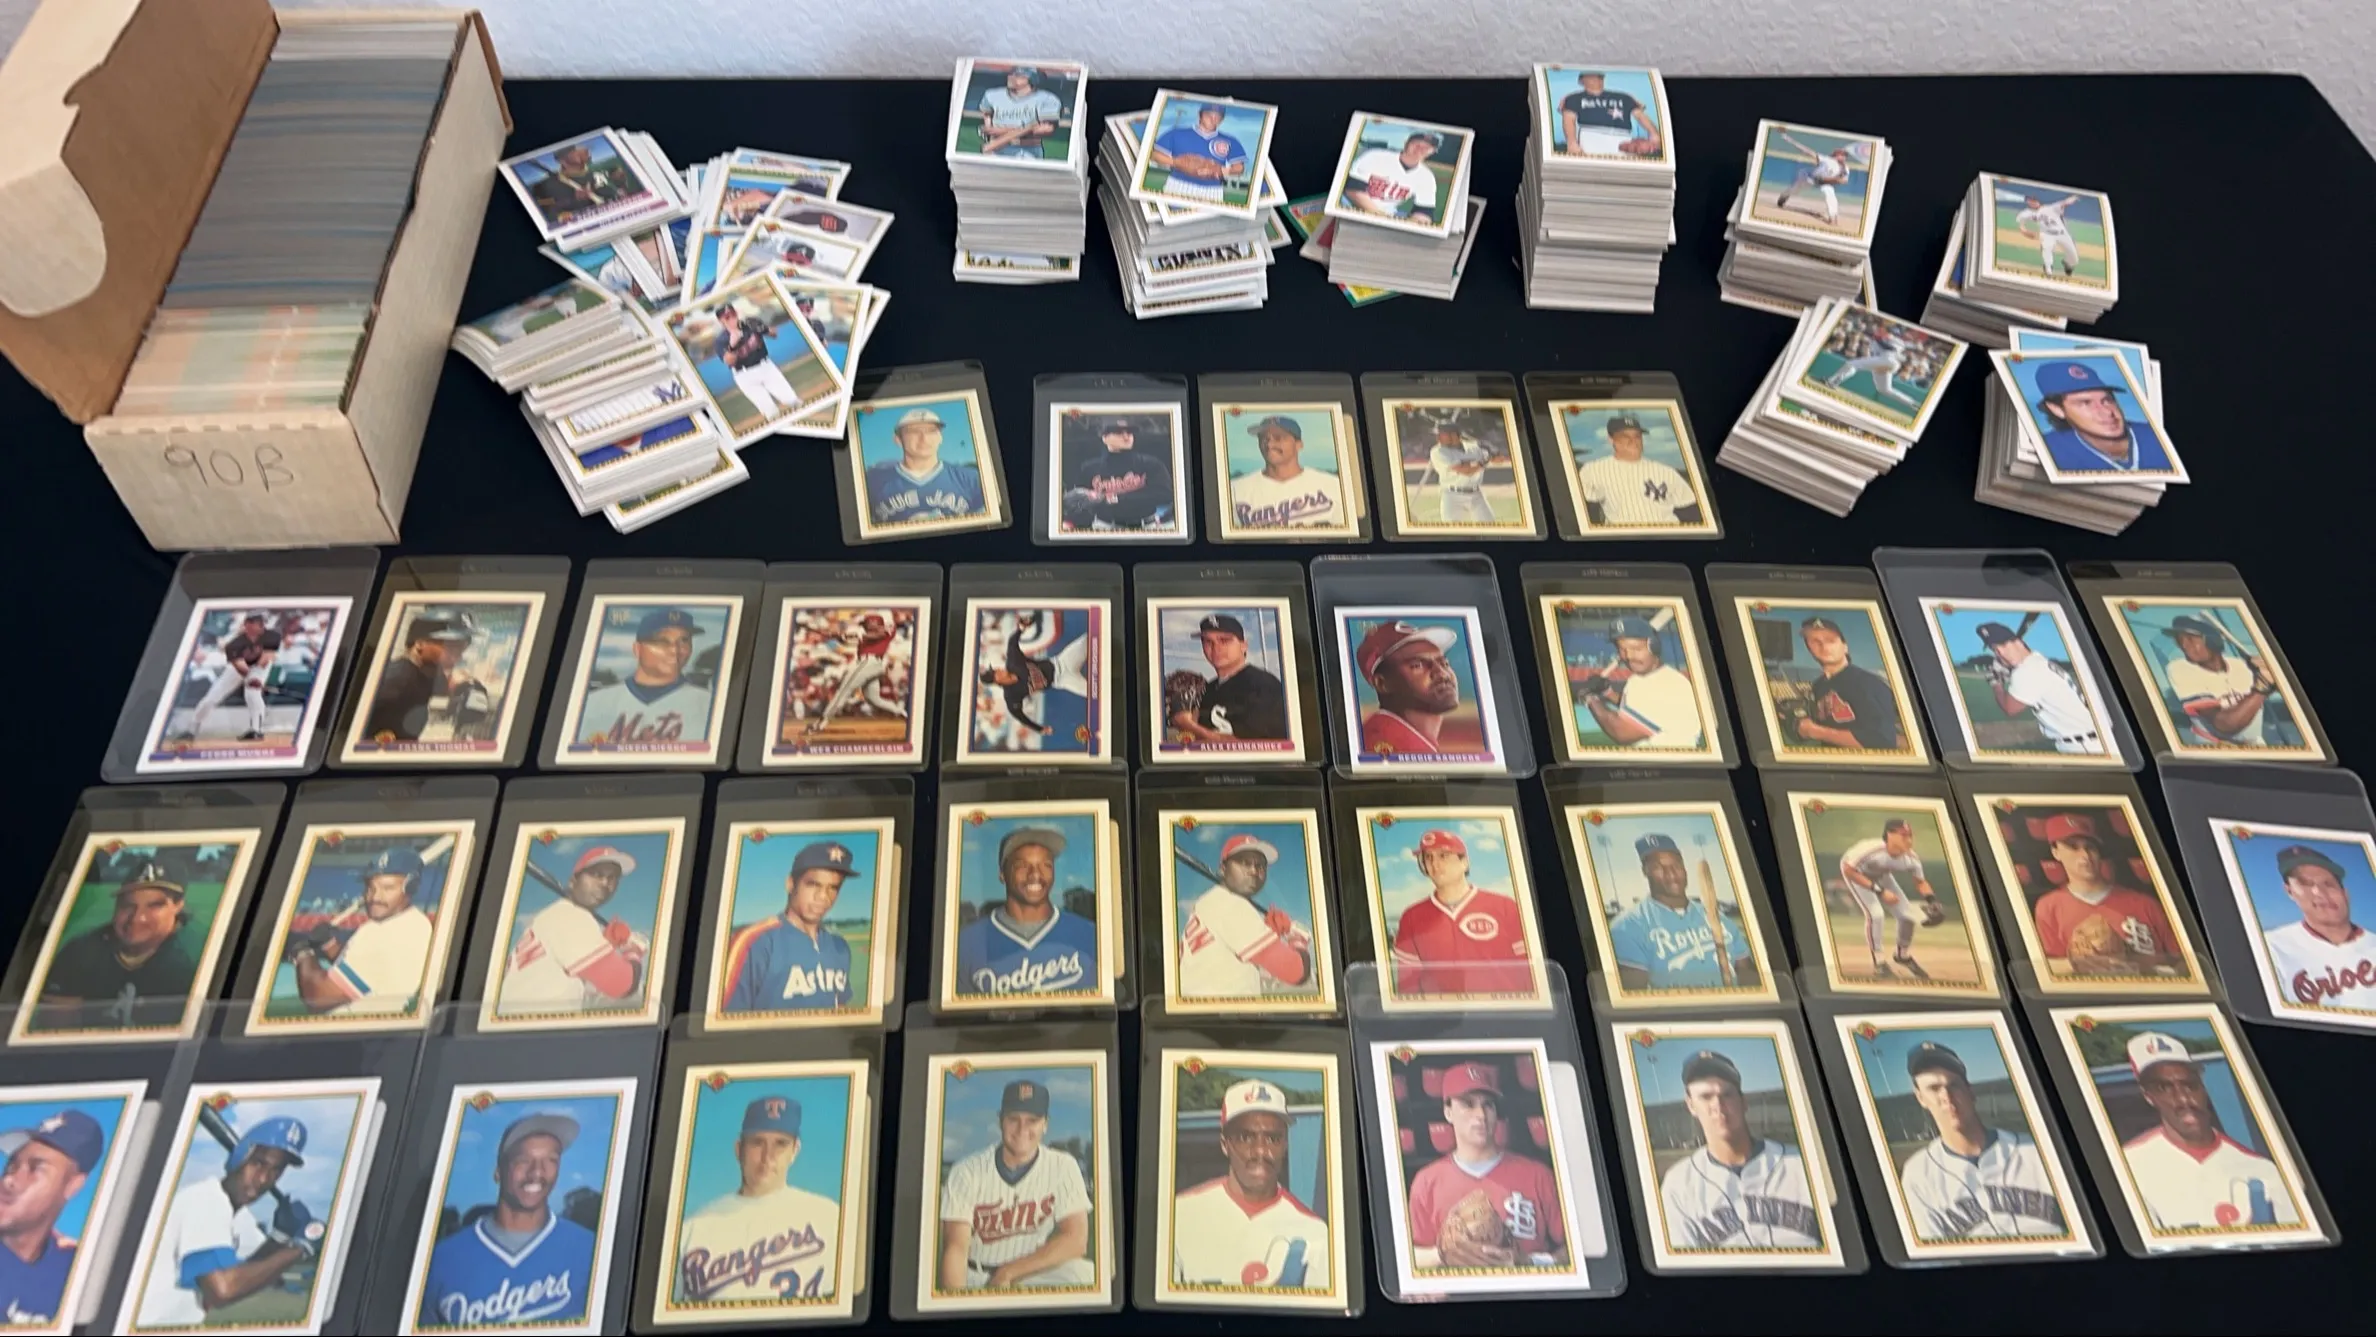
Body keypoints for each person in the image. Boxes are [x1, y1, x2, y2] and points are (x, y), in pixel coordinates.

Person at [419, 1113, 600, 1329]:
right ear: (498, 1171)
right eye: (524, 1160)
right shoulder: (440, 1260)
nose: (537, 1171)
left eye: (551, 1160)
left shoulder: (592, 1251)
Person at [133, 1117, 314, 1326]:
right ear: (240, 1156)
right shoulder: (205, 1199)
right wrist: (300, 1249)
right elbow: (222, 1290)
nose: (264, 1178)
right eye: (258, 1163)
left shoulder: (241, 1219)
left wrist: (280, 1237)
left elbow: (249, 1272)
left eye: (276, 1170)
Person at [2118, 1032, 2300, 1231]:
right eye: (2164, 1087)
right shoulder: (2128, 1166)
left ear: (2202, 1086)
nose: (2183, 1099)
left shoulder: (2261, 1168)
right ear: (2148, 1096)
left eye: (2190, 1085)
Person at [672, 1095, 840, 1306]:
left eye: (780, 1144)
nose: (767, 1156)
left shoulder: (829, 1218)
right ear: (738, 1149)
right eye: (757, 1143)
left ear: (795, 1150)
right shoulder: (692, 1230)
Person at [1895, 1042, 2068, 1241]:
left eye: (1954, 1085)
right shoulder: (1918, 1176)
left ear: (1970, 1091)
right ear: (1920, 1098)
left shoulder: (2037, 1151)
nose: (1946, 1097)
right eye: (1934, 1088)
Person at [1656, 1050, 1824, 1251]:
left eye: (1727, 1094)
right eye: (1706, 1097)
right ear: (1691, 1106)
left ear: (1743, 1102)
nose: (1718, 1105)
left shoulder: (1803, 1163)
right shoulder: (1678, 1185)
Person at [936, 1081, 1094, 1291]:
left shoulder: (1063, 1166)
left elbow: (1076, 1240)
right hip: (977, 1276)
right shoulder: (967, 1171)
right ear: (1000, 1120)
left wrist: (1009, 1272)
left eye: (1032, 1120)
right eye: (1013, 1119)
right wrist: (957, 1303)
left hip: (1030, 1272)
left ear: (1045, 1124)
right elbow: (955, 1249)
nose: (1022, 1129)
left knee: (1085, 1273)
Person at [1172, 1080, 1330, 1288]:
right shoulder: (1180, 1214)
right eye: (1245, 1137)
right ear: (1225, 1144)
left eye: (1273, 1138)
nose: (1260, 1151)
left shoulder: (1315, 1231)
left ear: (1285, 1145)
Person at [1405, 1063, 1565, 1269]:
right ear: (1448, 1112)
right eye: (1468, 1104)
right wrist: (1444, 1255)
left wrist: (1531, 1262)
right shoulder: (1427, 1181)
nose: (1480, 1114)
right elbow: (1411, 1258)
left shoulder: (1538, 1175)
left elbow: (1575, 1251)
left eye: (1488, 1104)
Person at [33, 863, 199, 1033]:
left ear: (178, 905)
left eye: (154, 905)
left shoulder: (196, 957)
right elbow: (53, 1030)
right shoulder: (81, 950)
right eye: (128, 905)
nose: (137, 918)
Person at [498, 845, 650, 1016]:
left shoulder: (552, 916)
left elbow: (579, 975)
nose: (605, 883)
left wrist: (607, 943)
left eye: (612, 878)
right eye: (596, 874)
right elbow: (621, 985)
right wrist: (634, 950)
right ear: (572, 881)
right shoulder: (572, 916)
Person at [288, 845, 435, 1017]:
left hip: (349, 1029)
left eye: (387, 888)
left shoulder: (380, 934)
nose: (375, 897)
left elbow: (318, 998)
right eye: (370, 888)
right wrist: (329, 945)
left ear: (411, 888)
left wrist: (303, 954)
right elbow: (367, 971)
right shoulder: (418, 923)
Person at [953, 827, 1100, 999]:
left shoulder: (1090, 935)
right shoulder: (966, 944)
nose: (1035, 874)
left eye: (1046, 865)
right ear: (1002, 874)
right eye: (1022, 866)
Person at [2029, 814, 2181, 976]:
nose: (2085, 855)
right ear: (2056, 852)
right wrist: (2079, 964)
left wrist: (2143, 968)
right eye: (2073, 847)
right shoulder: (2049, 906)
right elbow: (2045, 968)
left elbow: (2186, 963)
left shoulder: (2145, 904)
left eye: (2090, 847)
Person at [719, 841, 861, 1015]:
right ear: (791, 884)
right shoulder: (755, 942)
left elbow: (840, 1009)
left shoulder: (840, 947)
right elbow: (725, 1019)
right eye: (813, 884)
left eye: (833, 888)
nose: (823, 896)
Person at [1389, 829, 1532, 998]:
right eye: (1428, 857)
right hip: (1443, 1012)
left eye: (1443, 856)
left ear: (1464, 862)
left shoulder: (1506, 906)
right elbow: (1408, 985)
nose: (1435, 864)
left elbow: (1529, 971)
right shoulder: (1411, 916)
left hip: (1506, 1009)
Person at [1607, 833, 1757, 991]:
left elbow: (1747, 972)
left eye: (1676, 865)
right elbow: (1635, 997)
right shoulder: (1628, 926)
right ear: (1645, 871)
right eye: (1658, 867)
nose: (1671, 874)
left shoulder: (1718, 918)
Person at [1177, 832, 1314, 1001]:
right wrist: (1298, 938)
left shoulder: (1209, 902)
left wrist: (1269, 932)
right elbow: (1296, 972)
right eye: (1244, 862)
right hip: (1224, 1012)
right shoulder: (1231, 905)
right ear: (1223, 868)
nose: (1254, 871)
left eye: (1260, 865)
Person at [0, 1109, 106, 1325]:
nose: (9, 1180)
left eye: (35, 1169)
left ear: (73, 1185)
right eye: (12, 1165)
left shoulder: (78, 1271)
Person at [2256, 844, 2375, 1010]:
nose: (2319, 893)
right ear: (2290, 891)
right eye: (2305, 883)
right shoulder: (2268, 947)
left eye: (2328, 884)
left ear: (2345, 893)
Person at [576, 608, 714, 749]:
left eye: (684, 641)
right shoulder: (593, 703)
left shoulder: (709, 704)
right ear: (637, 649)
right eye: (662, 642)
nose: (675, 650)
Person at [1975, 619, 2103, 754]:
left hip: (2083, 746)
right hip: (2089, 740)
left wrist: (1996, 683)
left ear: (2019, 643)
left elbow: (2010, 708)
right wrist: (2010, 671)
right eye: (1994, 649)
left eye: (2004, 645)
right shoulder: (2038, 661)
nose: (2000, 653)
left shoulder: (2027, 670)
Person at [1837, 818, 1941, 980]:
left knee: (1908, 916)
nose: (1909, 840)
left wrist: (1932, 900)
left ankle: (1902, 955)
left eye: (1910, 835)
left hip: (1881, 875)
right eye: (1903, 835)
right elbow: (1848, 870)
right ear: (1890, 835)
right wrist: (1880, 891)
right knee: (1876, 914)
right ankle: (1879, 963)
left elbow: (1920, 882)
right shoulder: (1870, 850)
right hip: (1856, 873)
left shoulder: (1911, 858)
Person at [1579, 616, 1704, 749]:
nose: (1628, 656)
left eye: (1636, 649)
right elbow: (1635, 706)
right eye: (1622, 649)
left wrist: (1589, 699)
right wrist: (1608, 692)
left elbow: (1620, 732)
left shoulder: (1666, 685)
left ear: (1654, 647)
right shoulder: (1644, 679)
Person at [1168, 613, 1288, 745]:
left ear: (1244, 645)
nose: (1216, 648)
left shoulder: (1264, 686)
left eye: (1224, 640)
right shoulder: (1206, 689)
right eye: (1208, 641)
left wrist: (1188, 725)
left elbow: (1254, 747)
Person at [1791, 614, 1907, 752]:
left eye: (1830, 640)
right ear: (1809, 649)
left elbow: (1883, 741)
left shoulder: (1867, 683)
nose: (1824, 646)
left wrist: (1815, 731)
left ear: (1845, 647)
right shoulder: (1818, 686)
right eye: (1815, 641)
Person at [975, 610, 1094, 744]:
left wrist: (1021, 628)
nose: (998, 669)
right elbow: (1020, 717)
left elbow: (1012, 642)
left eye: (995, 669)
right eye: (995, 672)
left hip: (1061, 661)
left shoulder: (1013, 662)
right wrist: (1040, 729)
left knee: (1090, 639)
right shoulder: (1011, 696)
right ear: (996, 679)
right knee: (1094, 693)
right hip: (1062, 681)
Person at [358, 613, 478, 744]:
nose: (458, 656)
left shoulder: (427, 675)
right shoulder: (398, 678)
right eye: (451, 646)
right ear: (420, 643)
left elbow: (448, 685)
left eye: (461, 649)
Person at [2158, 614, 2275, 748]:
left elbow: (2280, 688)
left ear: (2212, 640)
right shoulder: (2180, 669)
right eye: (2179, 640)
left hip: (2256, 745)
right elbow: (2225, 724)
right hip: (2214, 748)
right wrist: (2263, 685)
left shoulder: (2241, 665)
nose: (2183, 646)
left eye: (2190, 638)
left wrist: (2274, 671)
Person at [1354, 619, 1466, 757]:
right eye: (1417, 665)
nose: (1442, 674)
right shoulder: (1383, 746)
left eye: (1444, 663)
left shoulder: (1409, 741)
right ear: (1382, 683)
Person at [2026, 360, 2156, 475]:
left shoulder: (2155, 435)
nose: (2106, 412)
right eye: (2085, 403)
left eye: (2107, 400)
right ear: (2057, 409)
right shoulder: (2045, 449)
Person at [865, 406, 987, 527]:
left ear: (940, 438)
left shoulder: (972, 479)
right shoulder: (871, 482)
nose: (924, 438)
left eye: (931, 431)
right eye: (913, 431)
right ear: (898, 439)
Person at [171, 611, 280, 745]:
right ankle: (191, 730)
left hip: (259, 668)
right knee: (212, 697)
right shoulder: (236, 641)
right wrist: (248, 676)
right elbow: (237, 662)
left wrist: (255, 679)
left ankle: (256, 730)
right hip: (239, 666)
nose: (257, 626)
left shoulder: (272, 636)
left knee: (253, 695)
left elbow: (267, 658)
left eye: (260, 623)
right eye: (251, 623)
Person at [1572, 413, 1698, 528]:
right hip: (1623, 536)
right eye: (1625, 436)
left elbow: (1690, 509)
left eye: (1637, 436)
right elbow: (1583, 510)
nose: (1633, 441)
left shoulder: (1666, 472)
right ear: (1611, 439)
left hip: (1668, 534)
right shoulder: (1593, 470)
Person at [1228, 414, 1345, 530]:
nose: (1269, 444)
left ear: (1299, 445)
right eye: (1263, 438)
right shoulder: (1235, 490)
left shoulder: (1333, 485)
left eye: (1278, 437)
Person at [1063, 418, 1175, 531]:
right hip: (1105, 526)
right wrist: (1072, 521)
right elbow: (1079, 502)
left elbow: (1165, 495)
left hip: (1145, 526)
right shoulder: (1089, 468)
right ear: (1104, 438)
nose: (1126, 436)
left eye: (1129, 432)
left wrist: (1116, 498)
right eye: (1118, 432)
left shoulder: (1150, 464)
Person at [809, 613, 909, 735]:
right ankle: (901, 712)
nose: (864, 627)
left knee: (843, 692)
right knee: (873, 698)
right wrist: (836, 635)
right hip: (873, 665)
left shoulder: (886, 629)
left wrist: (857, 635)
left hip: (867, 663)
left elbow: (877, 634)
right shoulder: (863, 634)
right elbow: (849, 638)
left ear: (873, 624)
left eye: (866, 624)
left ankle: (821, 723)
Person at [713, 302, 803, 423]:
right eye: (727, 317)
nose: (732, 318)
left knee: (791, 400)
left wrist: (764, 329)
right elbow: (729, 361)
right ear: (721, 321)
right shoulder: (721, 340)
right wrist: (732, 347)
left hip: (765, 367)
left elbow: (774, 334)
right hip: (744, 375)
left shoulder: (750, 323)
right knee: (771, 413)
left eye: (733, 314)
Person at [1148, 102, 1250, 206]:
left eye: (1217, 116)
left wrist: (1221, 170)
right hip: (1178, 184)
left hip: (1213, 190)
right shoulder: (1177, 133)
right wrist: (1176, 162)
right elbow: (1155, 155)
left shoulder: (1230, 141)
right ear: (1199, 115)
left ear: (1222, 119)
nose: (1213, 119)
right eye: (1208, 115)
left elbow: (1239, 168)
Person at [1342, 129, 1443, 227]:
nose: (1420, 149)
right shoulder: (1375, 156)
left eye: (1427, 147)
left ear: (1433, 151)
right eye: (1416, 144)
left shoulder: (1427, 177)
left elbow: (1424, 211)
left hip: (1389, 214)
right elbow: (1353, 190)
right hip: (1351, 206)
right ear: (1406, 143)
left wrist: (1414, 223)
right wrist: (1382, 218)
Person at [527, 142, 631, 225]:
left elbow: (618, 177)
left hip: (625, 213)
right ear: (562, 160)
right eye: (574, 150)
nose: (584, 149)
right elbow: (545, 212)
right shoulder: (546, 186)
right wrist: (573, 199)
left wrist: (622, 187)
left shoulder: (600, 167)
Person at [1558, 70, 1658, 157]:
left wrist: (1654, 133)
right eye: (1591, 77)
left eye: (1599, 76)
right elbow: (1568, 119)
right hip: (1591, 136)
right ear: (1581, 81)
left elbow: (1640, 116)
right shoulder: (1574, 98)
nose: (1596, 79)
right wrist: (1571, 142)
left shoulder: (1624, 97)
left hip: (1623, 137)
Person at [975, 67, 1064, 160]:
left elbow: (1046, 129)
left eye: (1018, 75)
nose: (1011, 77)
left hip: (1027, 151)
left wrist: (1002, 131)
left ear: (1032, 79)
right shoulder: (992, 95)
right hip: (995, 151)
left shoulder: (1047, 99)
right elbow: (988, 120)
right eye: (1011, 74)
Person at [1820, 326, 1920, 407]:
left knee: (1852, 364)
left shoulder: (1897, 340)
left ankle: (1832, 382)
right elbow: (1872, 339)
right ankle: (1912, 403)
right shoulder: (1879, 339)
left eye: (1891, 331)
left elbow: (1889, 347)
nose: (1888, 332)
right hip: (1882, 363)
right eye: (1888, 330)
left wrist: (1878, 338)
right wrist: (1871, 335)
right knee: (1884, 389)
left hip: (1888, 360)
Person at [1771, 133, 1856, 225]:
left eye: (1845, 155)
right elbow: (1808, 152)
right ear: (1835, 155)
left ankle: (1832, 217)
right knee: (1794, 189)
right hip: (1810, 178)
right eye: (1841, 154)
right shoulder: (1827, 160)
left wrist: (1835, 180)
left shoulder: (1845, 168)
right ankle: (1783, 197)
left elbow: (1844, 180)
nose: (1843, 157)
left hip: (1825, 183)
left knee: (1830, 194)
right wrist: (1791, 141)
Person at [1424, 421, 1496, 526]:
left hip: (1476, 495)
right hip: (1452, 497)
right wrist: (1484, 461)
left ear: (1454, 435)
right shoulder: (1438, 452)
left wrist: (1493, 450)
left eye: (1441, 434)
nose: (1437, 438)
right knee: (1453, 532)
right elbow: (1467, 471)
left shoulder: (1474, 447)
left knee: (1490, 528)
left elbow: (1498, 459)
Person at [2014, 192, 2083, 277]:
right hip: (2047, 234)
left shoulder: (2050, 208)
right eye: (2030, 200)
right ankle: (2048, 268)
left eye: (2034, 200)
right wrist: (2024, 231)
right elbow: (2020, 224)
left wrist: (2073, 198)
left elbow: (2064, 203)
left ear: (2039, 201)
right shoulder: (2026, 213)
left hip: (2062, 234)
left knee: (2074, 259)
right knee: (2046, 248)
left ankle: (2067, 263)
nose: (2032, 202)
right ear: (2028, 202)